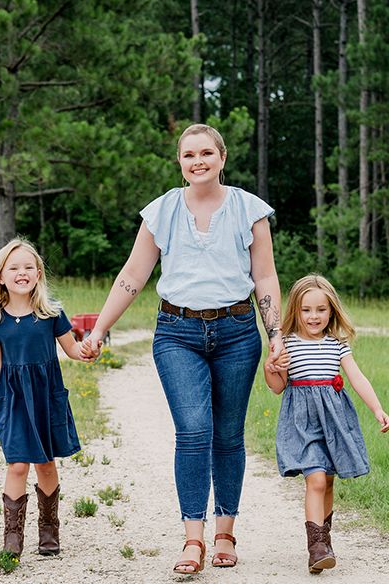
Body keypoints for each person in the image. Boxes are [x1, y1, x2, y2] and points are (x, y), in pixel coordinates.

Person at [80, 124, 286, 574]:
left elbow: (265, 277)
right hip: (177, 332)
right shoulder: (163, 211)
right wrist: (98, 329)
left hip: (237, 332)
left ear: (222, 157)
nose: (198, 161)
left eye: (206, 153)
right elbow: (133, 275)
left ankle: (225, 532)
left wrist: (276, 335)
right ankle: (193, 539)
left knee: (228, 435)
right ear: (180, 162)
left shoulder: (250, 210)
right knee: (193, 430)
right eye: (189, 154)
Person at [263, 274, 389, 574]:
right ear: (296, 309)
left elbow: (357, 377)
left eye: (321, 310)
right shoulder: (287, 344)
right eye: (307, 310)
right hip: (303, 422)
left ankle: (324, 540)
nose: (314, 316)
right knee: (316, 480)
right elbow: (277, 386)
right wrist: (270, 367)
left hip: (334, 420)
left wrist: (377, 408)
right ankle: (316, 546)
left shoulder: (337, 344)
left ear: (331, 310)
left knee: (329, 480)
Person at [0, 237, 91, 560]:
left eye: (29, 266)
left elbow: (71, 349)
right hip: (13, 399)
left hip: (44, 395)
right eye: (14, 267)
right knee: (16, 466)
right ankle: (12, 537)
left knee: (45, 463)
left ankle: (48, 529)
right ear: (1, 276)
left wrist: (88, 349)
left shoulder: (50, 312)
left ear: (39, 273)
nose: (22, 272)